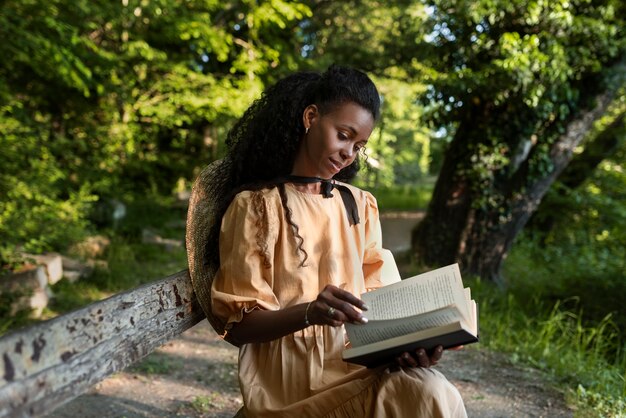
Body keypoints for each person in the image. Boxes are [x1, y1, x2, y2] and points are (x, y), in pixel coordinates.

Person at [203, 65, 467, 417]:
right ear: (311, 117)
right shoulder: (257, 207)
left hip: (356, 368)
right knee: (428, 394)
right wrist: (311, 312)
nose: (348, 154)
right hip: (288, 389)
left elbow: (383, 307)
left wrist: (413, 346)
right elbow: (237, 326)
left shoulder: (358, 204)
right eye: (343, 135)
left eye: (359, 146)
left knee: (428, 387)